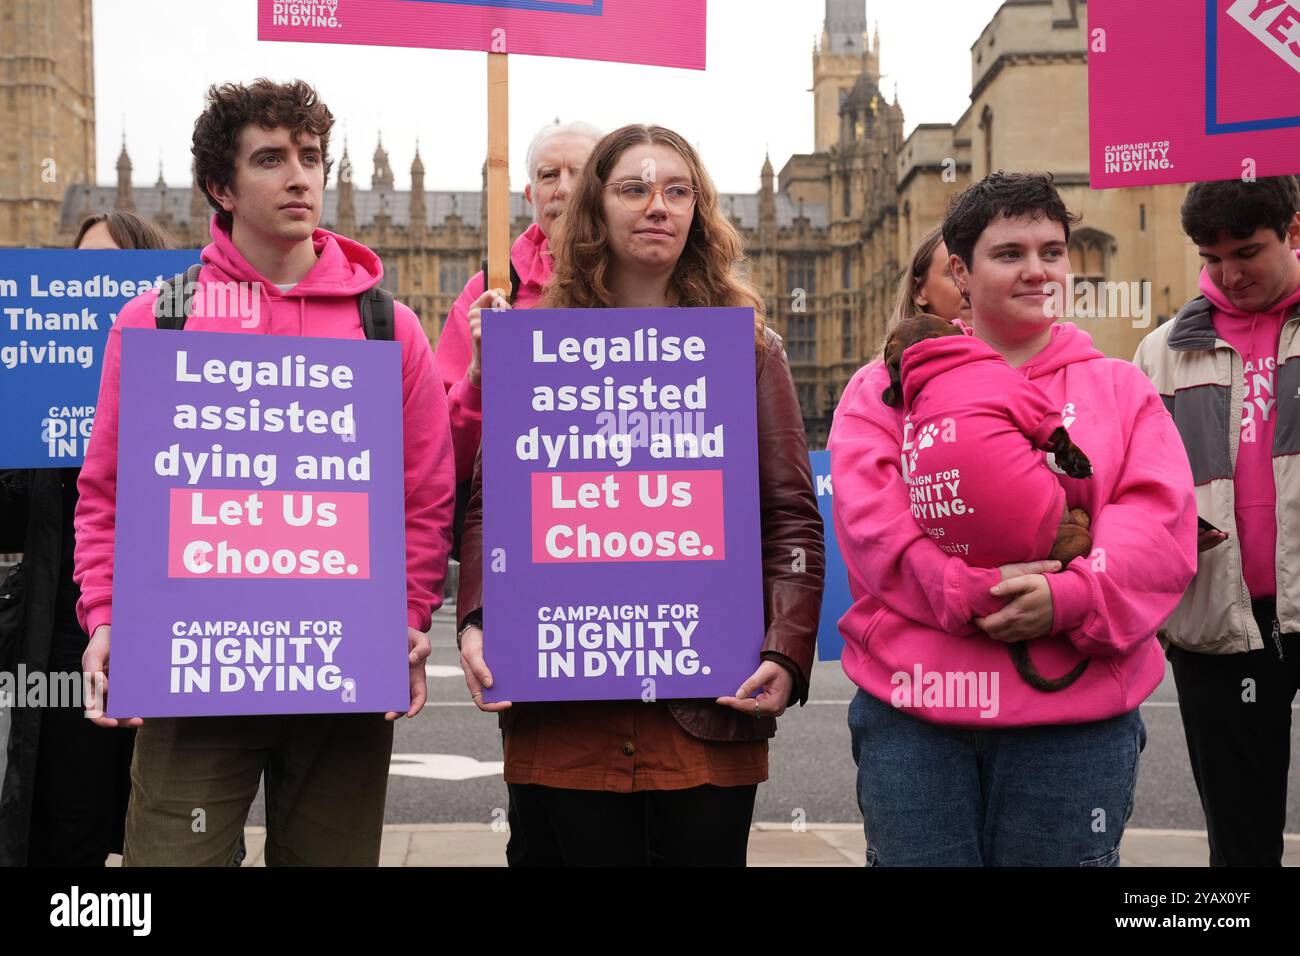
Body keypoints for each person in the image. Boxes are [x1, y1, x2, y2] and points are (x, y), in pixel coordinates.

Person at [73, 78, 455, 866]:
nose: (299, 176)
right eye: (271, 159)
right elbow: (108, 493)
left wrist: (412, 615)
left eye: (311, 157)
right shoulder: (157, 320)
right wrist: (106, 615)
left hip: (338, 665)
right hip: (193, 661)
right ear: (220, 185)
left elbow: (424, 496)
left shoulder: (387, 327)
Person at [456, 123, 824, 866]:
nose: (658, 205)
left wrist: (785, 651)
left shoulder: (751, 348)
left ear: (699, 210)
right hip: (566, 709)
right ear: (596, 206)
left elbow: (791, 518)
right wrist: (480, 617)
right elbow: (492, 506)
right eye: (634, 188)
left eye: (677, 190)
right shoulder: (535, 347)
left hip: (705, 712)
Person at [829, 172, 1197, 866]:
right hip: (916, 715)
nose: (1037, 270)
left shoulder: (1119, 386)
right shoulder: (884, 387)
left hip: (1075, 722)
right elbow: (869, 522)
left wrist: (1073, 596)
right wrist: (959, 590)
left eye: (1052, 251)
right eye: (1010, 254)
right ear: (961, 273)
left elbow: (1156, 522)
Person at [1133, 174, 1300, 867]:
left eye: (1248, 251)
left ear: (1295, 232)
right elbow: (1136, 489)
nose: (1229, 274)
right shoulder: (1160, 351)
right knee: (1240, 844)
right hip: (1217, 620)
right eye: (1211, 257)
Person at [0, 212, 170, 867]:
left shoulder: (186, 371)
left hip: (168, 631)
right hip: (67, 639)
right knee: (67, 826)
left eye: (114, 273)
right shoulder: (39, 404)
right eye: (80, 272)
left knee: (170, 827)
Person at [435, 120, 601, 483]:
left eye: (580, 173)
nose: (564, 188)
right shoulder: (491, 291)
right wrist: (478, 380)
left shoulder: (646, 280)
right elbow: (439, 454)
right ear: (530, 196)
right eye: (548, 175)